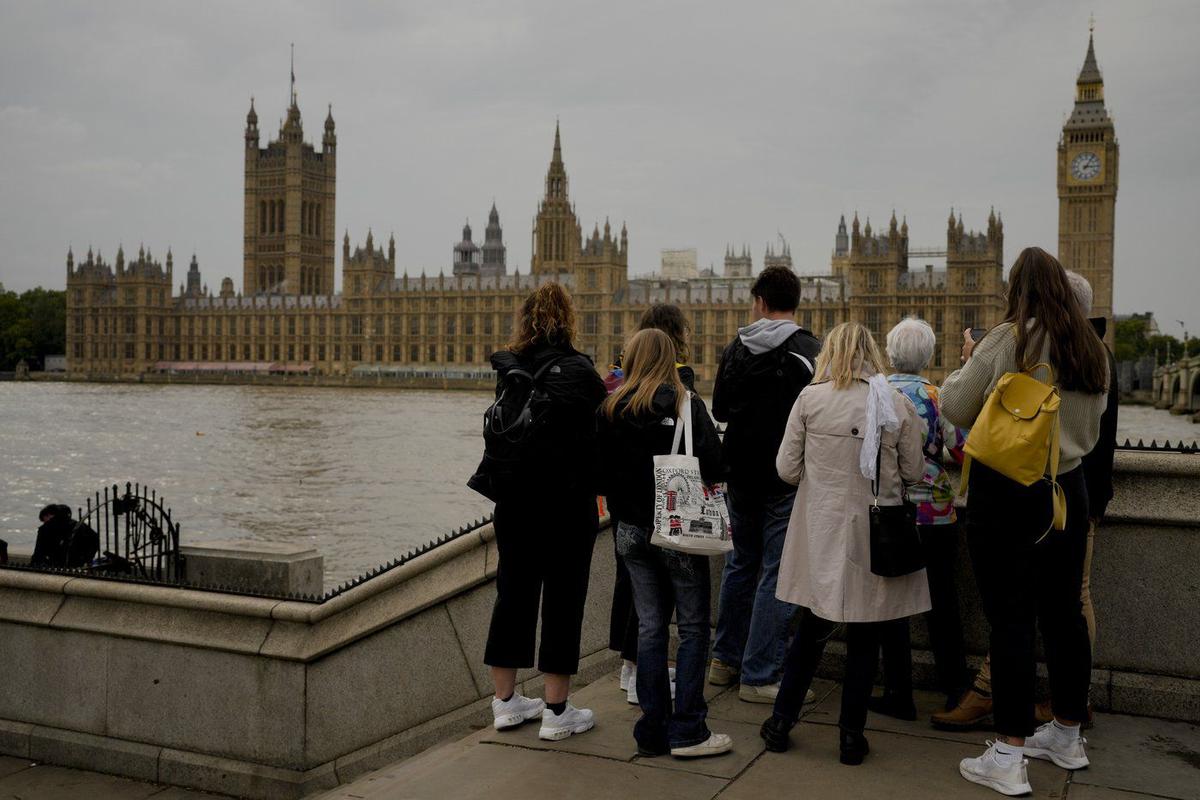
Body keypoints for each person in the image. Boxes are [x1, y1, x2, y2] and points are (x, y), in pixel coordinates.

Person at [941, 248, 1108, 796]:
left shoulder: (1008, 338)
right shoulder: (1091, 346)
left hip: (1008, 493)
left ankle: (1009, 754)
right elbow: (1094, 422)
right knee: (1063, 616)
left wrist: (969, 364)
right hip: (1070, 492)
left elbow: (957, 407)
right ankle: (1065, 732)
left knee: (1010, 621)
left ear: (1017, 289)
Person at [759, 321, 927, 765]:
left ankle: (780, 724)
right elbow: (913, 471)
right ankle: (850, 737)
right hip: (875, 536)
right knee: (865, 640)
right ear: (872, 353)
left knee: (809, 633)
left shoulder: (810, 399)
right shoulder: (895, 402)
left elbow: (785, 469)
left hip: (822, 533)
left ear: (829, 353)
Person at [475, 282, 607, 741]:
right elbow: (600, 434)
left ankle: (506, 704)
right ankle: (556, 712)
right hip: (567, 506)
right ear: (568, 321)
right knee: (563, 602)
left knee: (512, 596)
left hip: (514, 504)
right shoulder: (579, 371)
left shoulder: (510, 370)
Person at [597, 328, 731, 758]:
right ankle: (688, 729)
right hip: (679, 530)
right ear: (670, 359)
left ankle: (652, 729)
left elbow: (598, 475)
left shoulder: (611, 408)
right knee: (692, 628)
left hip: (631, 532)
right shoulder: (687, 405)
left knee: (652, 628)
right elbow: (715, 465)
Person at [709, 266, 821, 705]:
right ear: (796, 302)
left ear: (759, 302)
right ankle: (759, 675)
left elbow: (719, 407)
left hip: (739, 472)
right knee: (777, 571)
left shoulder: (736, 346)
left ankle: (725, 661)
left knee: (741, 565)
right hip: (784, 476)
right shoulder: (810, 349)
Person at [866, 318, 971, 721]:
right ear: (928, 356)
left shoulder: (875, 394)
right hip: (936, 512)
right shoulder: (938, 396)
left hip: (889, 510)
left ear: (889, 353)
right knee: (942, 602)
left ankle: (898, 692)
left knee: (892, 604)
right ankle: (955, 689)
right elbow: (964, 451)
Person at [608, 303, 694, 703]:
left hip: (624, 507)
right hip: (664, 507)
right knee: (665, 601)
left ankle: (632, 669)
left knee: (631, 585)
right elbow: (708, 456)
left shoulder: (615, 385)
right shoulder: (678, 388)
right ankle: (645, 674)